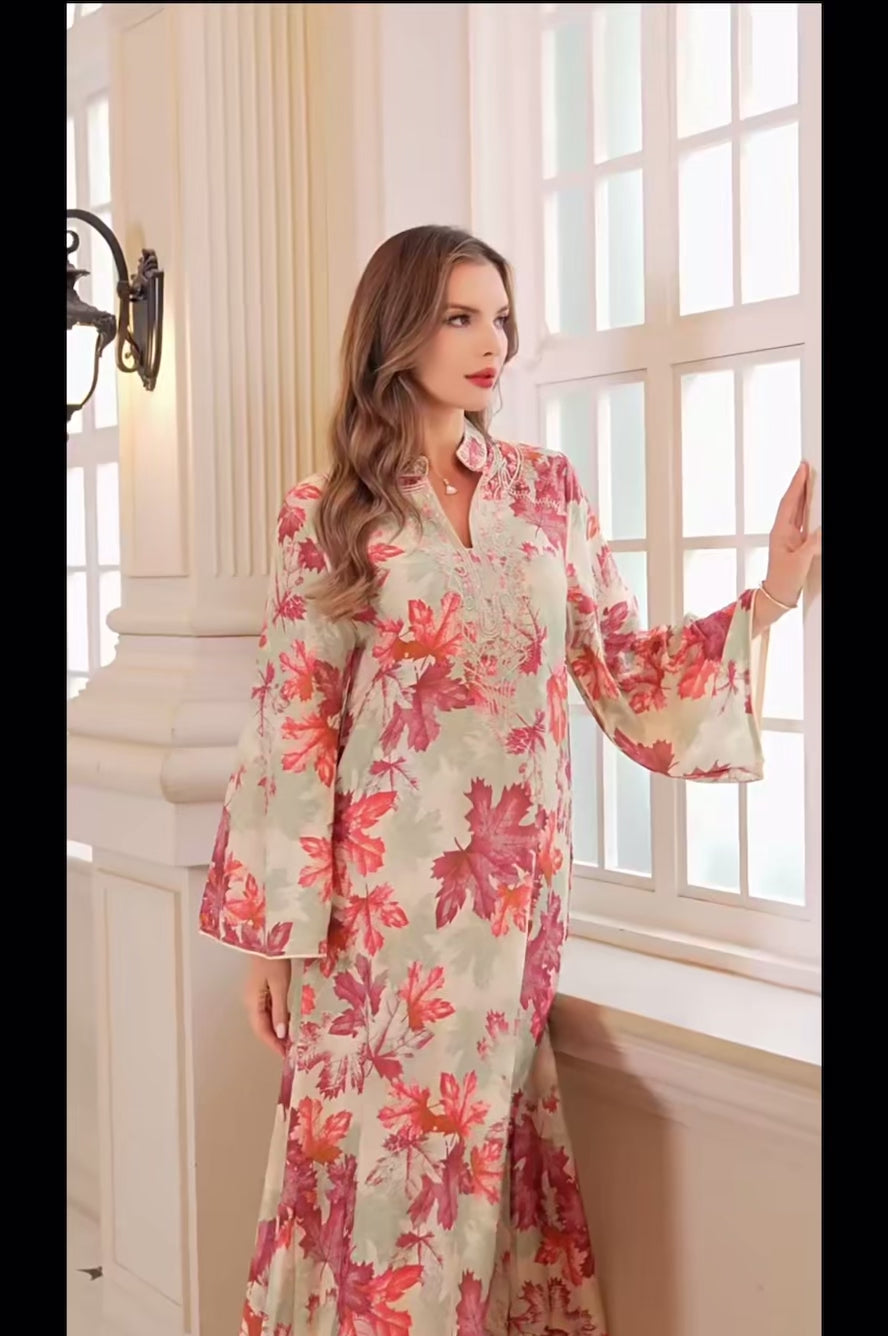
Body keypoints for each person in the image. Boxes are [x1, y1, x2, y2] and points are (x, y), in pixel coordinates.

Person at [199, 225, 821, 1336]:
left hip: (510, 911)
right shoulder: (330, 509)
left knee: (474, 1185)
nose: (494, 342)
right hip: (374, 924)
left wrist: (770, 596)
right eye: (460, 317)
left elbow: (621, 670)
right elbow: (294, 721)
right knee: (381, 1195)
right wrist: (272, 942)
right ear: (399, 331)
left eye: (499, 317)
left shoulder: (547, 492)